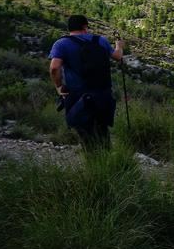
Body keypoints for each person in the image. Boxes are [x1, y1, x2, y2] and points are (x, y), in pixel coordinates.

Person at [49, 15, 124, 149]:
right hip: (103, 93)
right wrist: (119, 46)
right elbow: (118, 57)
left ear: (69, 28)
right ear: (85, 26)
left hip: (78, 96)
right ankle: (108, 162)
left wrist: (59, 87)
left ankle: (93, 163)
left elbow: (54, 68)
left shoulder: (61, 44)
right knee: (102, 129)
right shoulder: (101, 40)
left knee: (84, 132)